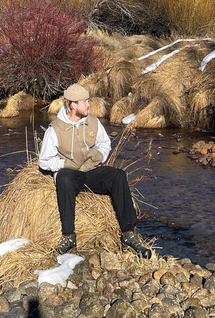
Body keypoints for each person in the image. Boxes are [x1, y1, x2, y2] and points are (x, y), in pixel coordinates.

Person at [38, 83, 152, 258]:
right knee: (64, 179)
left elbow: (105, 143)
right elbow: (44, 161)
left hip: (91, 171)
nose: (88, 104)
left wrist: (98, 156)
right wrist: (64, 164)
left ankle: (129, 234)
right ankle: (68, 237)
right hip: (71, 175)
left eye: (88, 100)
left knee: (118, 176)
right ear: (73, 105)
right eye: (84, 101)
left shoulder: (93, 121)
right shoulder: (55, 129)